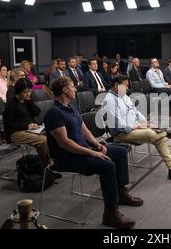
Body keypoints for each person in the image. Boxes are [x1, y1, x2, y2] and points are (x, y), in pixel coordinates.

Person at [45, 77, 142, 229]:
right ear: (64, 90)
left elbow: (84, 130)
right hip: (67, 158)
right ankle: (110, 213)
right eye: (72, 87)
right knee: (107, 165)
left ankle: (121, 193)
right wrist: (91, 153)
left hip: (83, 150)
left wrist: (97, 145)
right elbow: (64, 143)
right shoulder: (54, 113)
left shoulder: (72, 107)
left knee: (120, 152)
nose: (75, 89)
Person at [102, 75, 171, 180]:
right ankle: (165, 132)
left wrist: (146, 122)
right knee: (152, 134)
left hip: (136, 128)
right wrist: (136, 126)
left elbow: (135, 112)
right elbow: (118, 125)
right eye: (125, 86)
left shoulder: (124, 96)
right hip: (122, 134)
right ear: (116, 85)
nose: (127, 89)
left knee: (158, 137)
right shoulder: (109, 101)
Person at [3, 78, 51, 167]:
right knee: (43, 140)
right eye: (25, 92)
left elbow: (37, 112)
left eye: (29, 91)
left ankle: (45, 164)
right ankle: (47, 166)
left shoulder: (27, 100)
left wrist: (30, 101)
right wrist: (27, 126)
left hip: (30, 130)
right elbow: (8, 124)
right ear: (18, 91)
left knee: (52, 133)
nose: (28, 94)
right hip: (15, 133)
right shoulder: (11, 105)